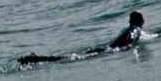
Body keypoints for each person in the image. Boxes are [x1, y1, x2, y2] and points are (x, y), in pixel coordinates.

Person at [18, 11, 146, 66]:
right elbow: (131, 36)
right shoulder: (135, 29)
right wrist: (127, 46)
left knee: (70, 57)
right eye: (143, 19)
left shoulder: (126, 29)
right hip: (108, 50)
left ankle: (36, 58)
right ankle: (36, 59)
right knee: (70, 59)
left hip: (105, 48)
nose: (144, 21)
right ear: (139, 21)